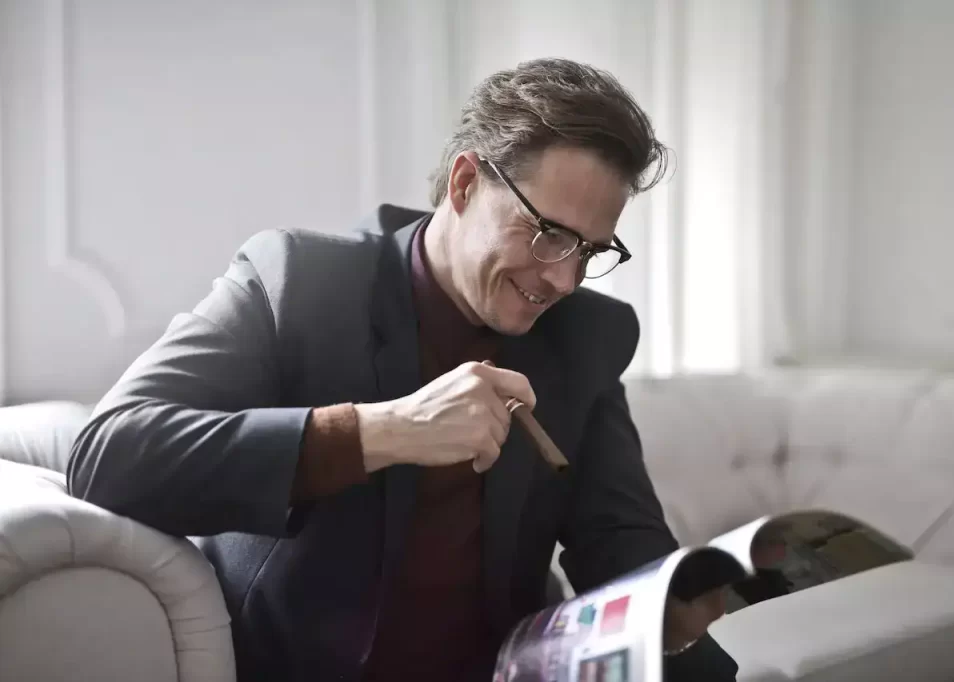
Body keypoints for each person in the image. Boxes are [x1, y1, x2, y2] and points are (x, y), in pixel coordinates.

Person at [67, 58, 739, 681]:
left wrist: (678, 609)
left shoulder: (586, 334)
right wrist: (383, 431)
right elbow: (108, 455)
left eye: (591, 249)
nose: (564, 278)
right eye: (548, 233)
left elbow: (617, 541)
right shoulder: (300, 282)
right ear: (467, 181)